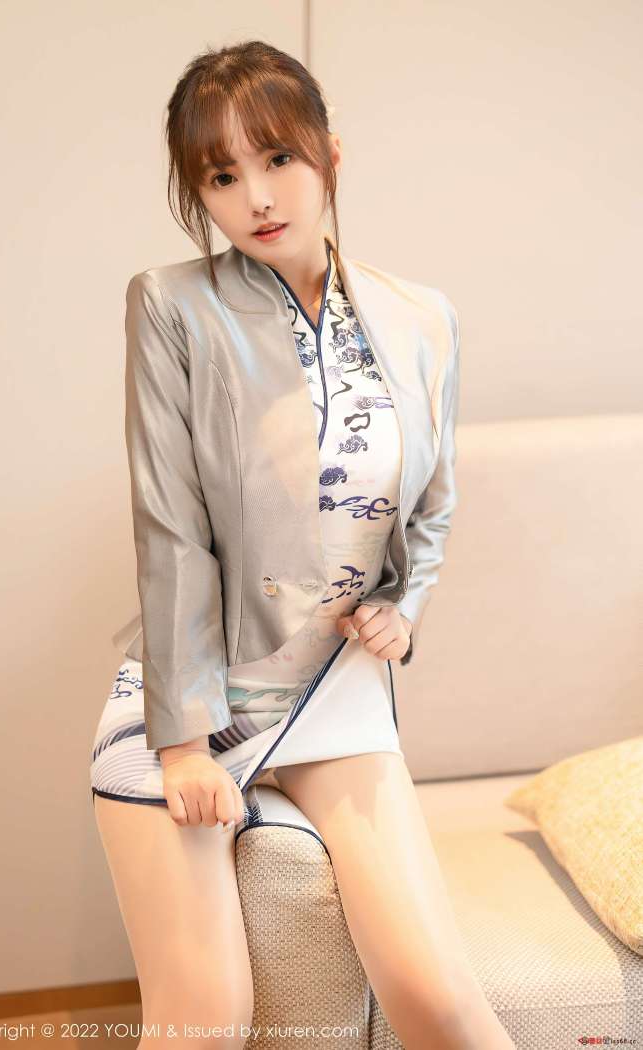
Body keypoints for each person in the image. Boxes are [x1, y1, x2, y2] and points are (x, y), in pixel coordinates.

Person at [90, 39, 516, 1050]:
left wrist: (403, 606)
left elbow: (433, 500)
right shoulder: (172, 305)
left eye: (277, 157)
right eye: (221, 176)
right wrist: (183, 742)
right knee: (205, 1023)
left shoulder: (423, 318)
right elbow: (171, 526)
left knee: (438, 1002)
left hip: (336, 692)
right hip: (194, 700)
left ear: (329, 154)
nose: (256, 196)